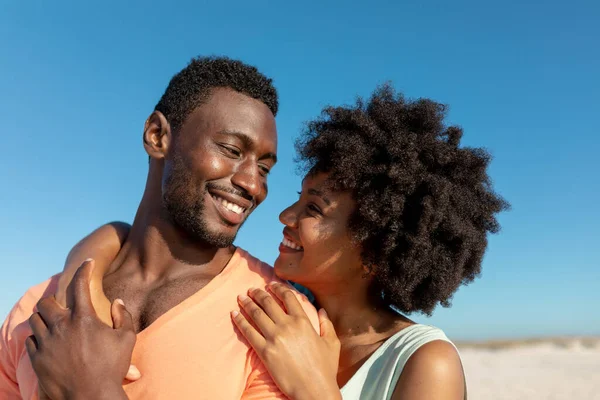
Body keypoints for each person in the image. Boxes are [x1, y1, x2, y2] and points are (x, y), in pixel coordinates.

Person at [32, 84, 508, 399]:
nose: (282, 213)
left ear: (376, 250)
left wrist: (317, 390)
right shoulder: (277, 314)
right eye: (298, 197)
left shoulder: (426, 363)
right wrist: (97, 252)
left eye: (314, 209)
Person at [0, 56, 319, 400]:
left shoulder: (276, 321)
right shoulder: (37, 308)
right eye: (230, 150)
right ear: (157, 136)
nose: (253, 185)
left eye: (264, 169)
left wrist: (92, 390)